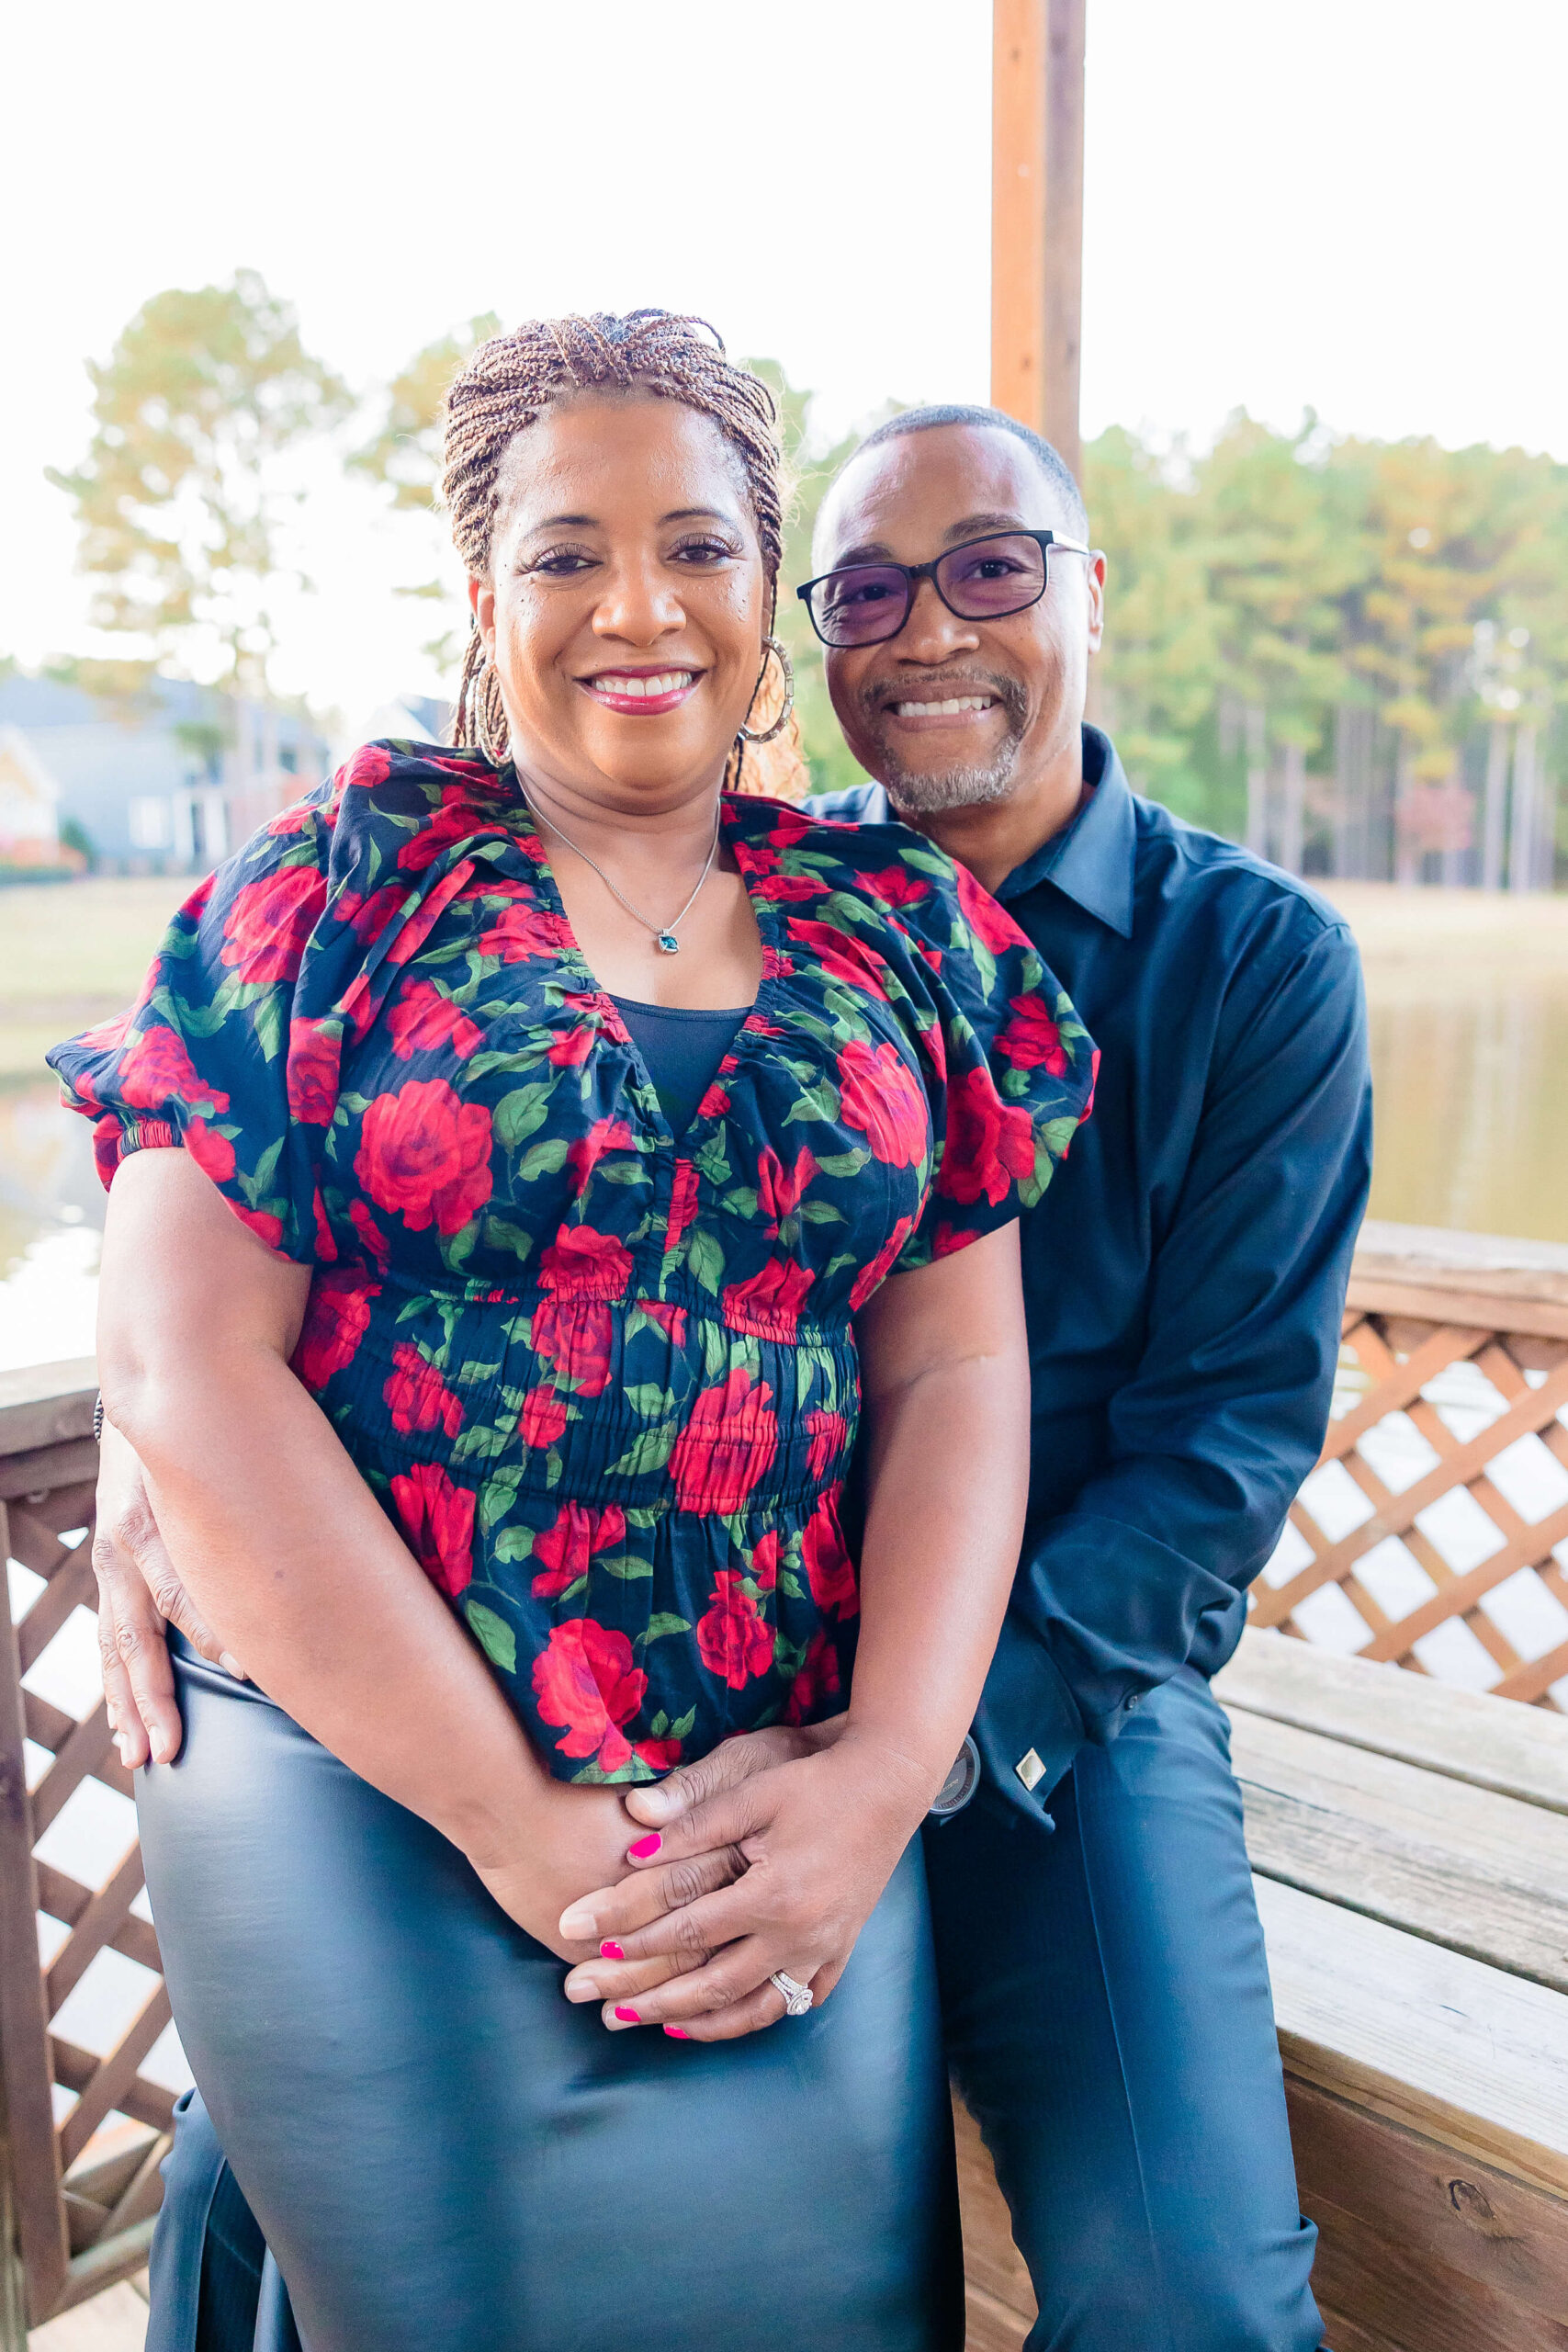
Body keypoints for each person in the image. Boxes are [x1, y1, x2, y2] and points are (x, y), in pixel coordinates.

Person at [95, 394, 1371, 2351]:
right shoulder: (628, 872)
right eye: (869, 585)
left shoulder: (1234, 958)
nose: (930, 627)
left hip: (1042, 1685)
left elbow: (1205, 1456)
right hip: (549, 1709)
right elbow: (235, 1263)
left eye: (991, 569)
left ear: (1085, 596)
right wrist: (151, 1441)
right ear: (816, 626)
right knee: (245, 2156)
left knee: (1183, 2282)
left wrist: (902, 1754)